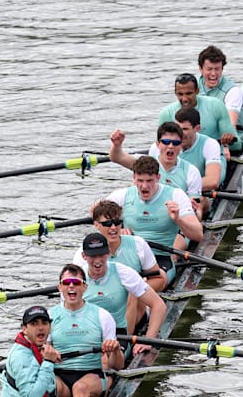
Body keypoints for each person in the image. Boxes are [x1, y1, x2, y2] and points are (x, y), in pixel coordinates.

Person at [0, 305, 91, 397]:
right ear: (24, 328)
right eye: (34, 324)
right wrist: (48, 363)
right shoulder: (22, 357)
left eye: (44, 323)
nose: (40, 328)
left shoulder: (29, 348)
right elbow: (32, 396)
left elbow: (48, 391)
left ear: (50, 326)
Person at [105, 155, 202, 283]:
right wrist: (117, 230)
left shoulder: (175, 195)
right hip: (130, 255)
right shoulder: (122, 196)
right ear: (133, 178)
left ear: (158, 177)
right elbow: (97, 220)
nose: (144, 186)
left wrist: (178, 219)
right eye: (140, 180)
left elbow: (198, 235)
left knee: (140, 286)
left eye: (149, 181)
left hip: (160, 257)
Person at [48, 263, 124, 397]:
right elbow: (41, 355)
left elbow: (118, 366)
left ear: (85, 287)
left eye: (76, 283)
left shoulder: (102, 316)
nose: (71, 286)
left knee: (80, 388)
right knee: (48, 388)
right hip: (60, 375)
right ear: (59, 288)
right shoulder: (49, 317)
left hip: (91, 374)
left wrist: (115, 349)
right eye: (66, 283)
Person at [76, 231, 166, 355]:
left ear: (108, 253)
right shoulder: (75, 279)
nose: (98, 260)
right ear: (84, 256)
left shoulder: (124, 273)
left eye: (101, 254)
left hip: (117, 334)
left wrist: (148, 340)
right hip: (86, 334)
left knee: (104, 364)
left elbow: (159, 305)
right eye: (93, 256)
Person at [72, 198, 166, 293]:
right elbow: (76, 288)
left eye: (117, 222)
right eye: (107, 223)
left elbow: (159, 279)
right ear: (96, 225)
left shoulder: (138, 244)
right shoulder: (83, 254)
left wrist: (135, 289)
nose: (113, 228)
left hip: (132, 300)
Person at [107, 121, 202, 198]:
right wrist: (116, 145)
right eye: (166, 142)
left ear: (181, 145)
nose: (171, 146)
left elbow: (195, 208)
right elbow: (116, 157)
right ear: (158, 144)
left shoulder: (191, 171)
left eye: (175, 143)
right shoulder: (143, 163)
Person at [157, 74, 237, 149]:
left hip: (212, 153)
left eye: (189, 93)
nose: (184, 99)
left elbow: (238, 145)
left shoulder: (215, 105)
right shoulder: (166, 114)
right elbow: (160, 146)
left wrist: (229, 143)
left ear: (197, 91)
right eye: (180, 94)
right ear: (175, 93)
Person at [196, 45, 243, 129]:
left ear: (222, 69)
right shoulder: (193, 85)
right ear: (201, 69)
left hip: (226, 138)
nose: (213, 73)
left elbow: (229, 127)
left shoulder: (233, 91)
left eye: (217, 69)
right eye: (209, 69)